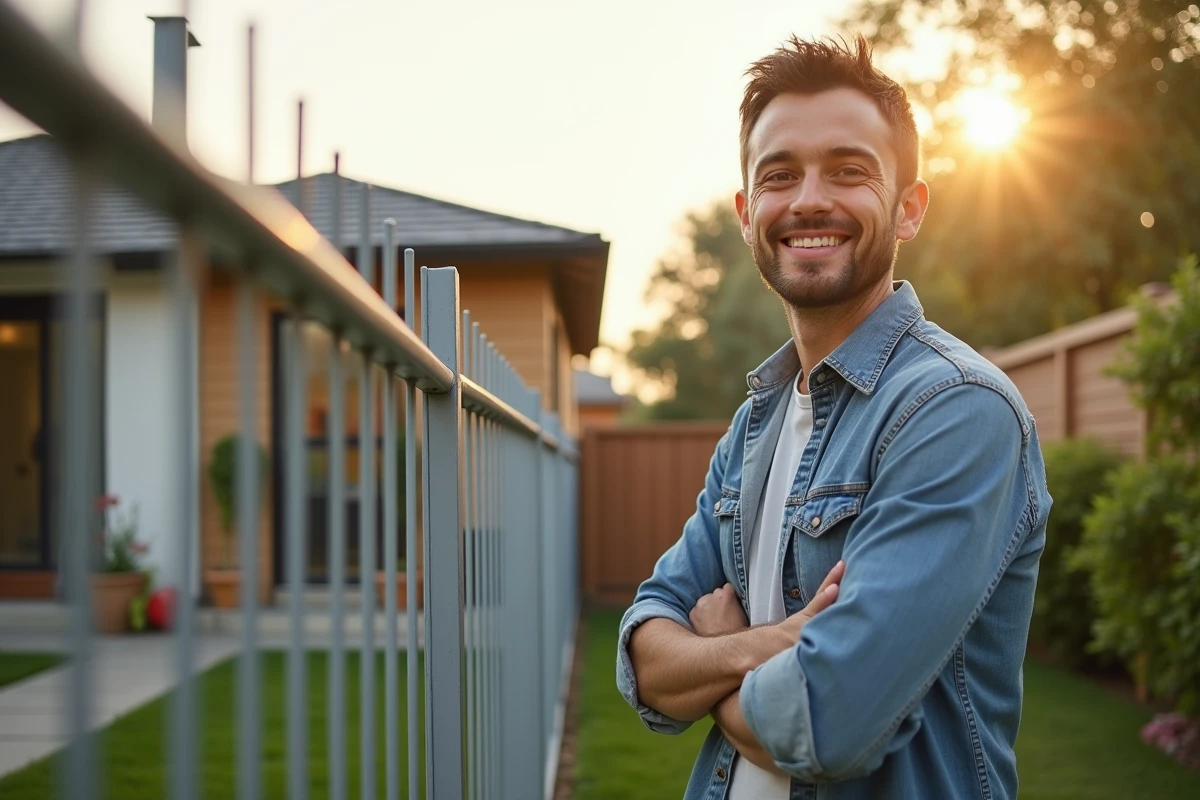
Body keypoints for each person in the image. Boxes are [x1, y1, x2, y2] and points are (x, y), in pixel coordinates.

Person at [616, 35, 1050, 800]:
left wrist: (716, 650)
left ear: (908, 208)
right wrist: (775, 645)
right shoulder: (756, 424)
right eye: (780, 176)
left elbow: (829, 721)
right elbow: (644, 654)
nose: (809, 199)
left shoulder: (955, 412)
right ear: (749, 214)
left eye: (848, 171)